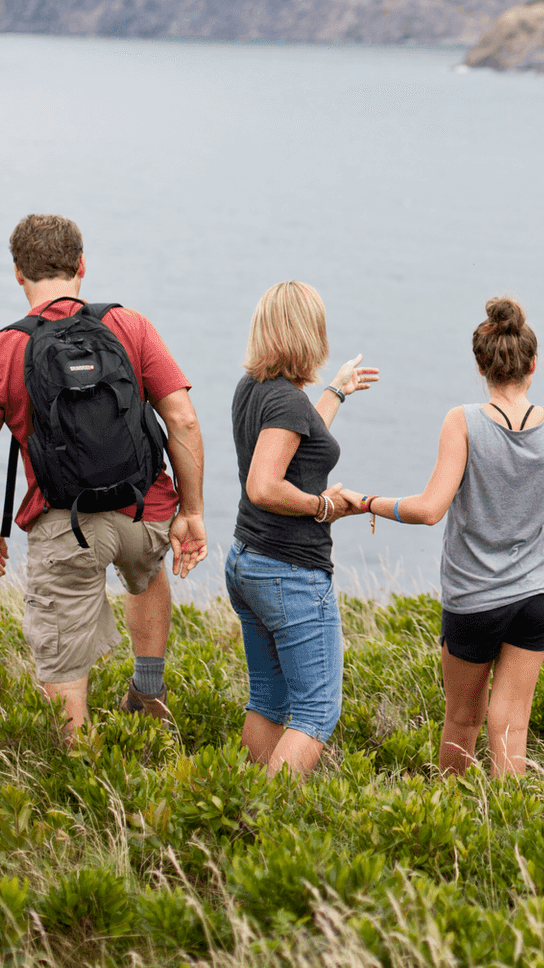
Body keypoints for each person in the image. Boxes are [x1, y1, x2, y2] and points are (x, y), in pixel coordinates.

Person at [342, 296, 544, 777]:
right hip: (538, 595)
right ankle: (508, 818)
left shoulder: (462, 421)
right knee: (512, 726)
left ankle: (452, 813)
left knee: (463, 721)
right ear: (533, 364)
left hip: (475, 597)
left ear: (480, 365)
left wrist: (365, 502)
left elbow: (429, 510)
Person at [0, 214, 208, 736]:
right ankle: (149, 693)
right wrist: (193, 510)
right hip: (144, 511)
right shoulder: (129, 326)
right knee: (145, 575)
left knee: (63, 654)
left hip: (63, 523)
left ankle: (81, 770)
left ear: (18, 273)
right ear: (81, 266)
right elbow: (182, 419)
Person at [229, 280, 378, 778]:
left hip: (248, 560)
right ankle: (268, 811)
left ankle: (243, 802)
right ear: (307, 333)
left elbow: (300, 442)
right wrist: (324, 506)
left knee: (268, 700)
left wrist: (336, 391)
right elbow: (264, 486)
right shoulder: (286, 403)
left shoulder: (254, 390)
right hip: (288, 570)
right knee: (316, 713)